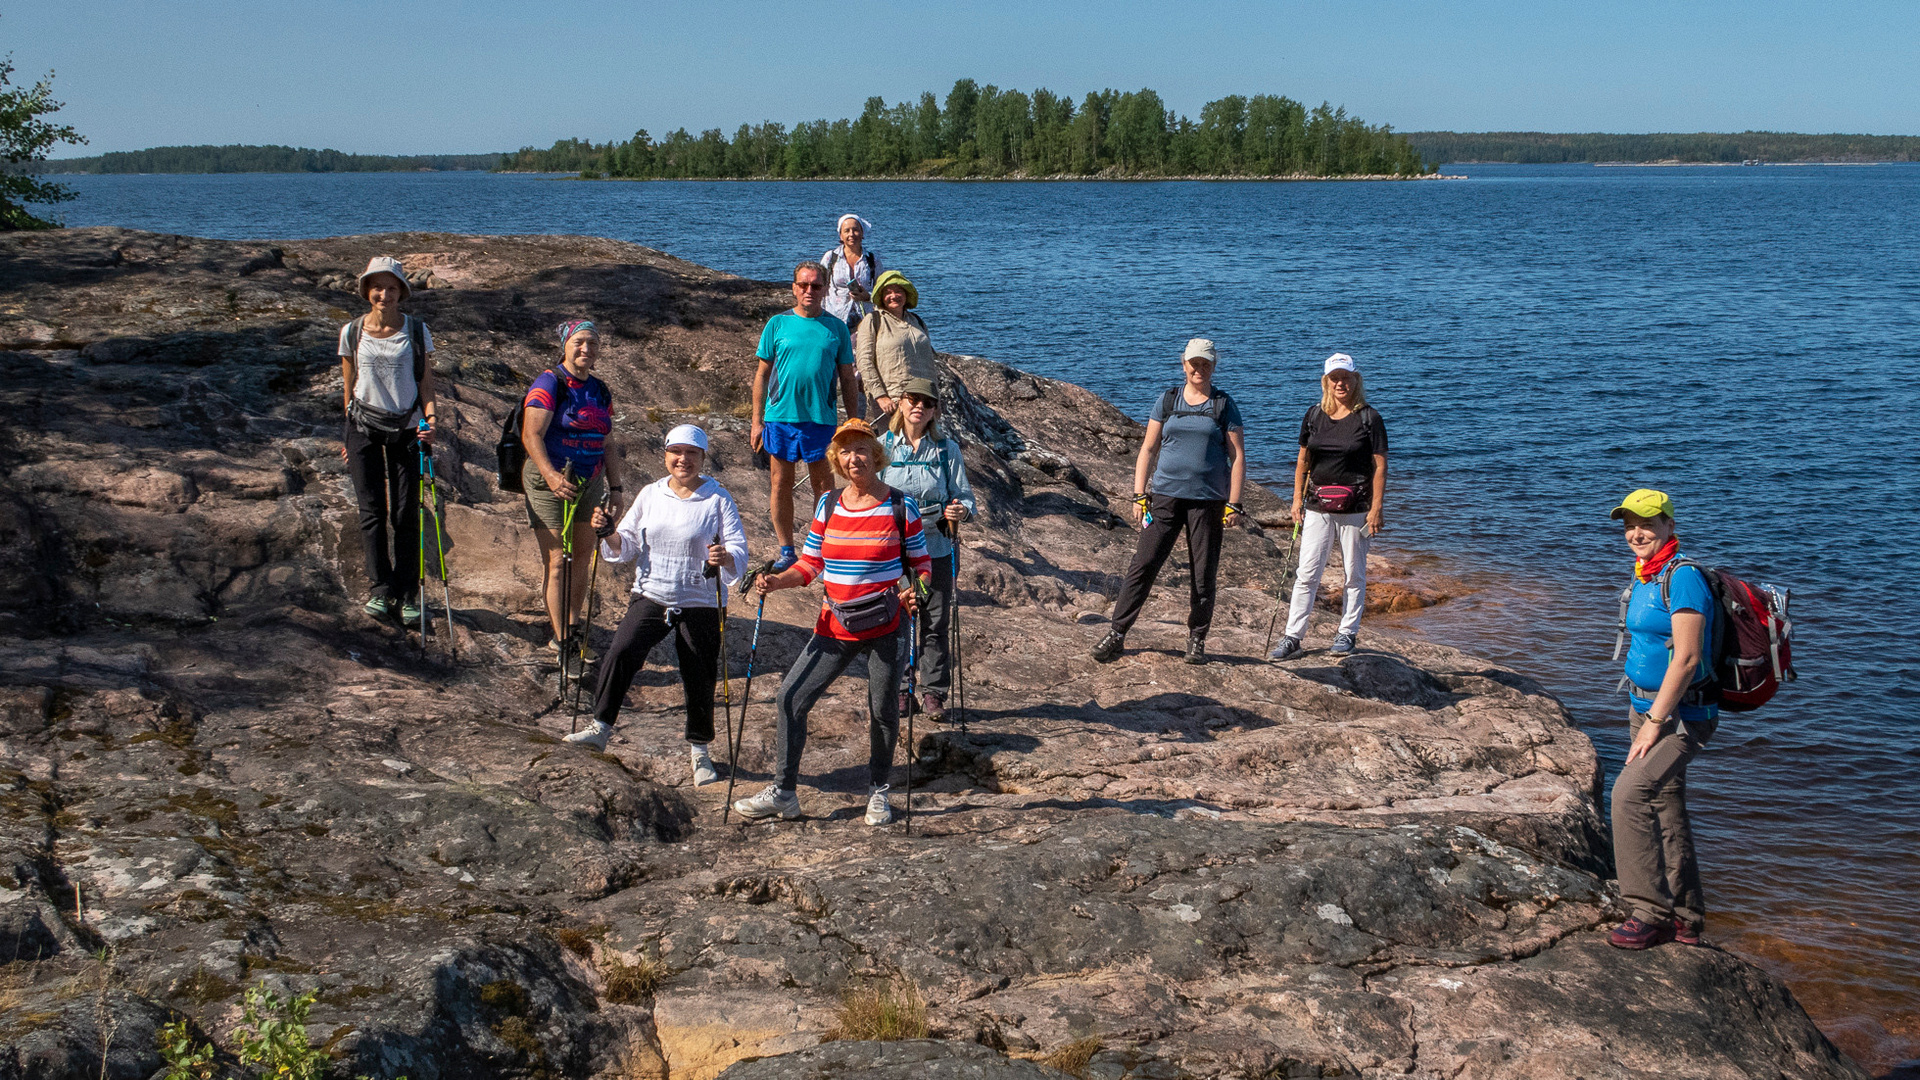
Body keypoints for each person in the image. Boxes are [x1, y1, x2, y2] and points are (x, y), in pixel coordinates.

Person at [733, 420, 932, 826]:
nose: (853, 457)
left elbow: (923, 566)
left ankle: (878, 792)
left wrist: (918, 593)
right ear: (837, 460)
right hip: (834, 625)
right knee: (791, 698)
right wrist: (777, 581)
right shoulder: (828, 504)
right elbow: (810, 564)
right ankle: (784, 794)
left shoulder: (901, 505)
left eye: (861, 449)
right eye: (845, 451)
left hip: (886, 625)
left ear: (876, 455)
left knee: (882, 710)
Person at [564, 425, 749, 785]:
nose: (683, 460)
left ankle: (700, 751)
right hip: (652, 593)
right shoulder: (651, 494)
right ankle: (600, 728)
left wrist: (725, 556)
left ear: (703, 457)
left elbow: (738, 549)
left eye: (692, 453)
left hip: (700, 600)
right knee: (621, 653)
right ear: (665, 455)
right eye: (676, 452)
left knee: (699, 673)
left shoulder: (718, 498)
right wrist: (608, 532)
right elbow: (627, 544)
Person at [1606, 489, 1718, 949]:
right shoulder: (1645, 575)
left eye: (1648, 524)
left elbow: (1687, 658)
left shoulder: (1683, 578)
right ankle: (1686, 917)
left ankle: (1648, 912)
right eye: (1629, 525)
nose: (1637, 533)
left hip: (1681, 716)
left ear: (1670, 525)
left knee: (1627, 795)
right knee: (1666, 805)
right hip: (1643, 707)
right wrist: (1644, 711)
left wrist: (1655, 720)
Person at [1092, 339, 1247, 666]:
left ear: (1213, 366)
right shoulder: (1167, 400)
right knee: (1143, 564)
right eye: (1193, 363)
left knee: (1203, 573)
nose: (1198, 369)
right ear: (1183, 364)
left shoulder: (1223, 405)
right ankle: (1117, 633)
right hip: (1165, 497)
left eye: (1205, 364)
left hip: (1208, 501)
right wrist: (1139, 495)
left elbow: (1237, 456)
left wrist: (1234, 503)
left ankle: (1197, 638)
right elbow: (1148, 449)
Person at [1268, 353, 1387, 661]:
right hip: (1317, 506)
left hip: (1356, 509)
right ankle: (1293, 637)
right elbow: (1303, 462)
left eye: (1345, 377)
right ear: (1326, 381)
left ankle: (1347, 633)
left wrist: (1376, 508)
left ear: (1355, 379)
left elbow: (1380, 466)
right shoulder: (1314, 415)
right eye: (1334, 378)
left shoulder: (1369, 418)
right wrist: (1296, 499)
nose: (1340, 383)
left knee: (1354, 575)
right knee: (1307, 573)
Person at [338, 256, 438, 624]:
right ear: (367, 291)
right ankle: (380, 589)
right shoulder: (352, 332)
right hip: (362, 428)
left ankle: (407, 593)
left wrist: (431, 420)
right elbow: (348, 387)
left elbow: (426, 383)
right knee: (371, 513)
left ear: (401, 292)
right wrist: (347, 437)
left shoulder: (416, 331)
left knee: (405, 513)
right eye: (378, 287)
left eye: (392, 287)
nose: (384, 294)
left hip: (407, 427)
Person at [522, 319, 624, 672]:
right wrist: (551, 476)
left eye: (592, 343)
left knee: (582, 557)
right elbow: (531, 434)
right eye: (579, 341)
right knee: (556, 561)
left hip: (590, 481)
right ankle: (563, 641)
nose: (586, 349)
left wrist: (616, 488)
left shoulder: (600, 390)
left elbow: (607, 442)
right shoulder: (549, 382)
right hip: (551, 481)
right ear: (564, 345)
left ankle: (572, 627)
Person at [751, 262, 860, 572]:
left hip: (820, 419)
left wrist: (853, 422)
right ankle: (787, 551)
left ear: (825, 289)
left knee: (824, 487)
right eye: (803, 285)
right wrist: (757, 421)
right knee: (780, 483)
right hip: (780, 417)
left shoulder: (836, 328)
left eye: (816, 285)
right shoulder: (777, 324)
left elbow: (847, 378)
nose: (809, 290)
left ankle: (819, 550)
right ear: (794, 288)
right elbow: (762, 375)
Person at [879, 378, 976, 721]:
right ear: (901, 403)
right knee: (899, 621)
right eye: (913, 399)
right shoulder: (882, 447)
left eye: (927, 402)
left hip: (937, 547)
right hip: (895, 551)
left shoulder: (947, 450)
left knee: (935, 623)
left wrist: (960, 511)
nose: (919, 406)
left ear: (935, 410)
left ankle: (934, 693)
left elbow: (965, 498)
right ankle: (902, 690)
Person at [855, 270, 937, 418]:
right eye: (888, 292)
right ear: (881, 297)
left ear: (906, 294)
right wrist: (880, 396)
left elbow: (929, 363)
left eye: (898, 291)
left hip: (924, 400)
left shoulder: (917, 321)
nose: (894, 296)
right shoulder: (873, 320)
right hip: (892, 402)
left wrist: (936, 400)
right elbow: (864, 361)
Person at [821, 213, 880, 330]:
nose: (851, 234)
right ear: (841, 235)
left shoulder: (873, 259)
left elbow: (882, 290)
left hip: (865, 319)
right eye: (846, 231)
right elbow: (820, 287)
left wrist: (867, 297)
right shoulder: (831, 258)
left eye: (855, 230)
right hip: (835, 318)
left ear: (862, 233)